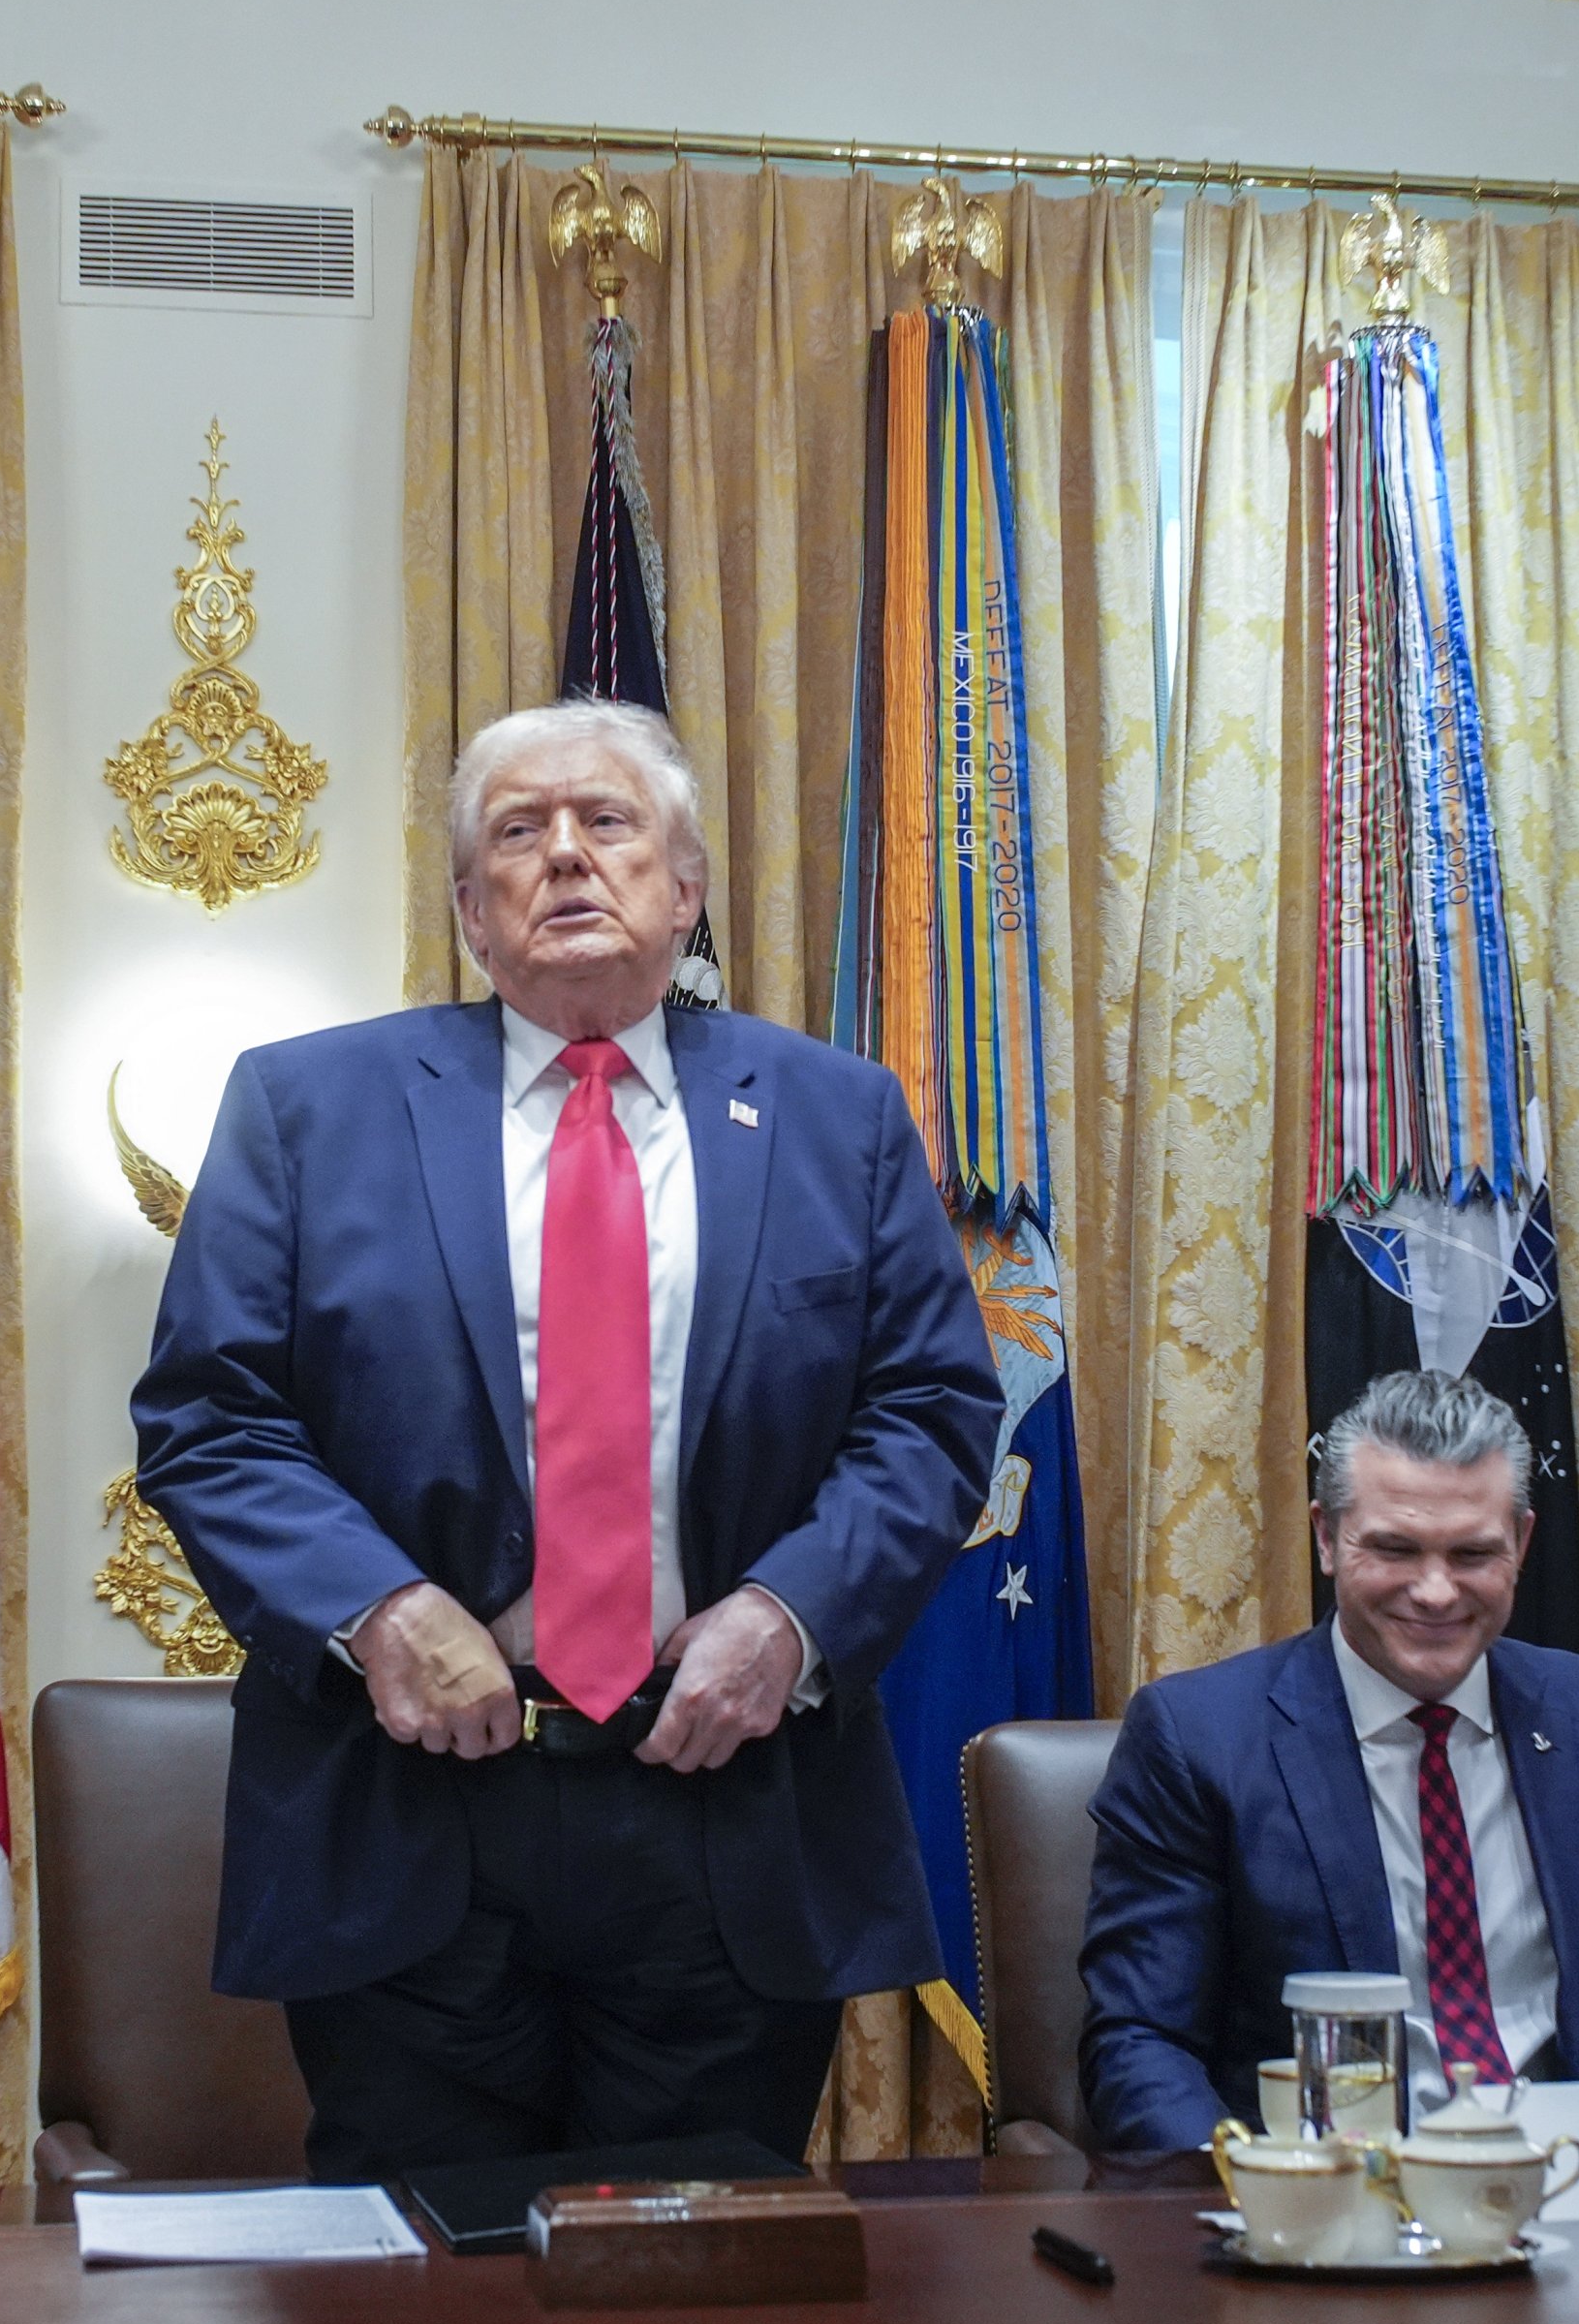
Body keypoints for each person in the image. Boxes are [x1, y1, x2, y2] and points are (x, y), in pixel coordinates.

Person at [133, 699, 1001, 2180]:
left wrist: (787, 1618)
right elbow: (210, 1415)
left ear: (686, 884)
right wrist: (375, 1606)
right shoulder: (304, 1106)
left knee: (696, 2287)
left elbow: (927, 1413)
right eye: (516, 832)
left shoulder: (836, 1116)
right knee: (421, 2289)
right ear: (470, 911)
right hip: (407, 1805)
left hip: (727, 1805)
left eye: (606, 822)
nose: (563, 856)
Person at [1079, 1369, 1579, 2153]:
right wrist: (1255, 2196)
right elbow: (1140, 2043)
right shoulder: (1198, 1738)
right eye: (1394, 1549)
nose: (1435, 1592)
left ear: (1521, 1545)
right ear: (1326, 1538)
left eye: (1471, 1554)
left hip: (1568, 2183)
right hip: (1326, 2194)